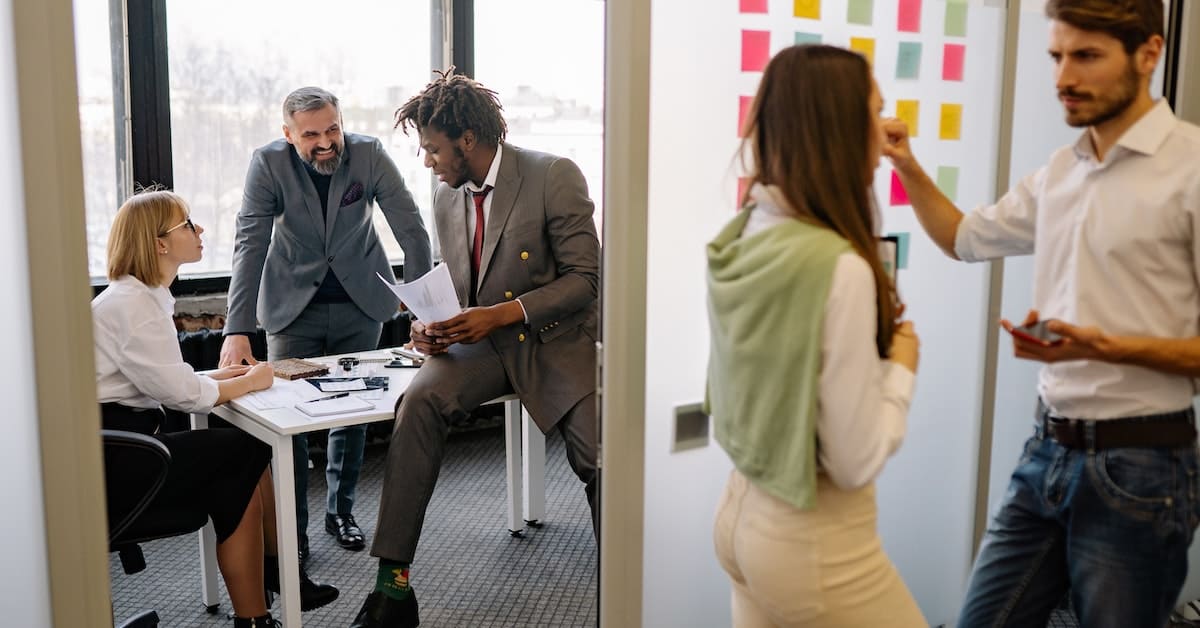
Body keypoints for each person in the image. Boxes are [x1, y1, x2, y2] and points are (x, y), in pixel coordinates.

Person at [885, 1, 1200, 625]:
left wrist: (1104, 348)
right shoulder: (1061, 171)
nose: (1063, 77)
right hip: (1046, 452)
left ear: (1149, 54)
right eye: (1056, 56)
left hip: (1142, 465)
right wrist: (906, 162)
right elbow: (961, 237)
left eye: (1086, 56)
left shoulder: (1191, 168)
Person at [348, 70, 600, 628]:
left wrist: (500, 315)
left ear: (467, 139)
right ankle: (392, 590)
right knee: (418, 403)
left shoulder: (553, 175)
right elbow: (465, 290)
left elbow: (586, 282)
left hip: (555, 341)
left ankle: (627, 586)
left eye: (433, 148)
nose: (427, 161)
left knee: (598, 458)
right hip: (485, 345)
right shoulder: (446, 196)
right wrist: (432, 328)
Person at [704, 45, 924, 627]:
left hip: (739, 516)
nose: (887, 130)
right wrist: (901, 369)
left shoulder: (745, 230)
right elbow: (854, 462)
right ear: (839, 129)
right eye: (875, 112)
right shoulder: (839, 267)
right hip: (815, 542)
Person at [93, 190, 340, 627]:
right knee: (241, 455)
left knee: (243, 451)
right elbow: (184, 396)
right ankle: (269, 591)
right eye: (188, 224)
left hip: (120, 444)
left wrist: (225, 376)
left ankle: (275, 584)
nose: (200, 229)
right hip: (120, 461)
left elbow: (165, 378)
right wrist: (252, 380)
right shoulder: (134, 306)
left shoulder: (135, 297)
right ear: (159, 244)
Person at [219, 87, 433, 562]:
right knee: (289, 421)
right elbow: (250, 243)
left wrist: (423, 309)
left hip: (361, 304)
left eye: (332, 129)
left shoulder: (369, 155)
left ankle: (341, 512)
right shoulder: (267, 164)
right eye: (311, 134)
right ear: (288, 133)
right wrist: (237, 328)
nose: (325, 142)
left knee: (352, 414)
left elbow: (412, 229)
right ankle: (293, 531)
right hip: (292, 309)